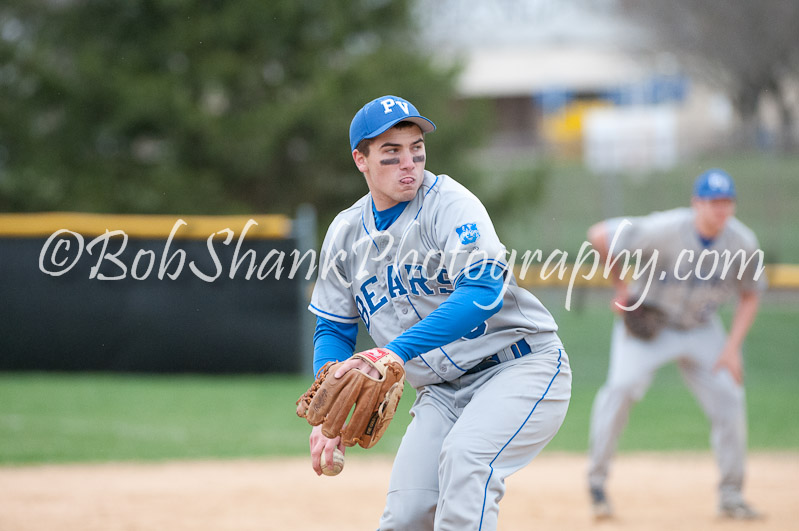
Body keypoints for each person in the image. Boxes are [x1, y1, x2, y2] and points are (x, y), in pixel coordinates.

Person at [306, 95, 572, 530]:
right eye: (391, 154)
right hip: (441, 392)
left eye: (416, 150)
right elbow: (334, 327)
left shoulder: (448, 203)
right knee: (406, 516)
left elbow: (483, 291)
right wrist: (330, 407)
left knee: (467, 463)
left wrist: (394, 352)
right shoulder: (346, 232)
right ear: (361, 160)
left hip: (520, 365)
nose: (408, 163)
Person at [585, 168, 766, 520]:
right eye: (713, 201)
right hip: (649, 327)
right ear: (696, 203)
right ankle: (597, 484)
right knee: (620, 389)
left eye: (727, 201)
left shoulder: (742, 242)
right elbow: (600, 235)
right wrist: (621, 289)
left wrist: (731, 348)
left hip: (702, 328)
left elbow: (751, 295)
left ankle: (731, 497)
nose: (720, 209)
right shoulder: (664, 229)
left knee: (730, 396)